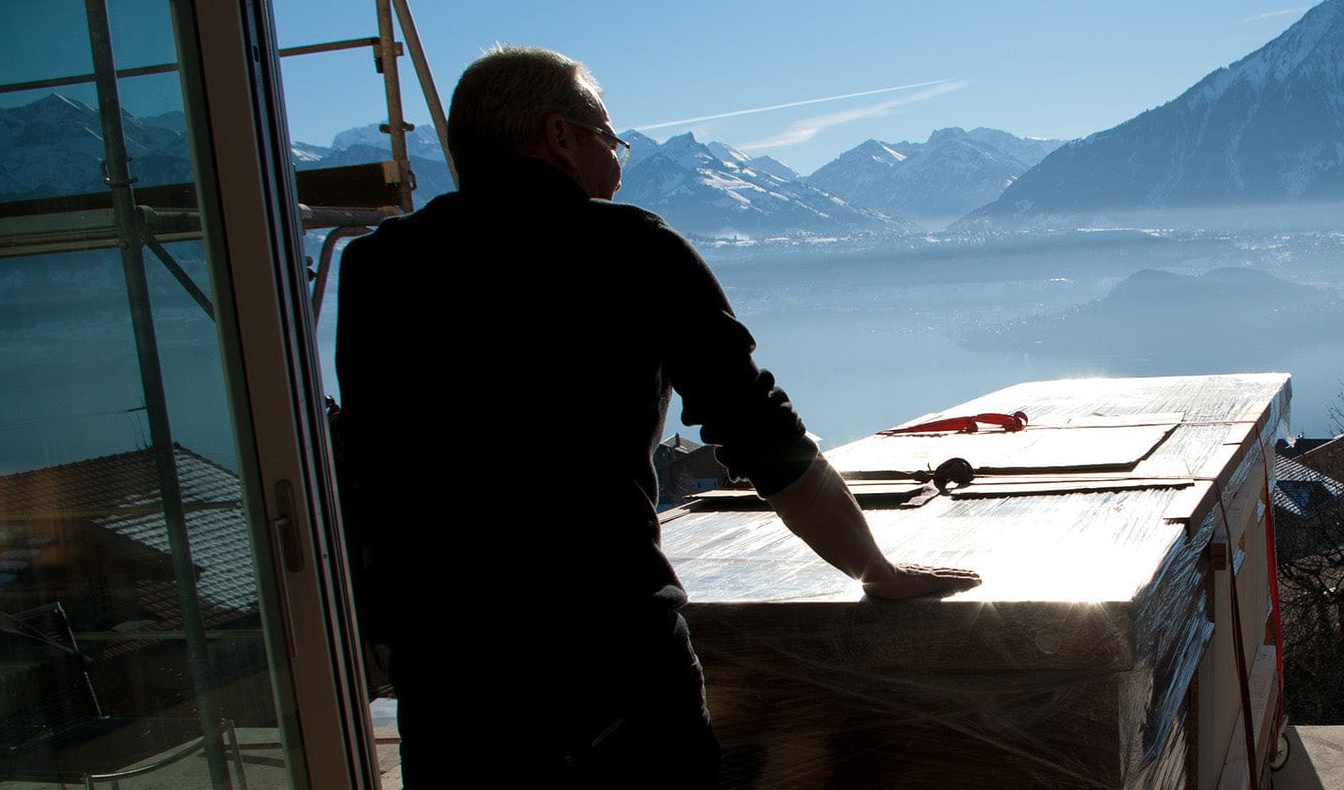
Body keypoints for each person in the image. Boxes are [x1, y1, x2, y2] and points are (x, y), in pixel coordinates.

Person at [335, 45, 981, 788]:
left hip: (447, 680)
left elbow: (375, 460)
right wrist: (876, 569)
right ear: (558, 136)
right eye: (609, 139)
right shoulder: (630, 249)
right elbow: (760, 430)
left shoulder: (376, 267)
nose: (617, 163)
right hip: (607, 663)